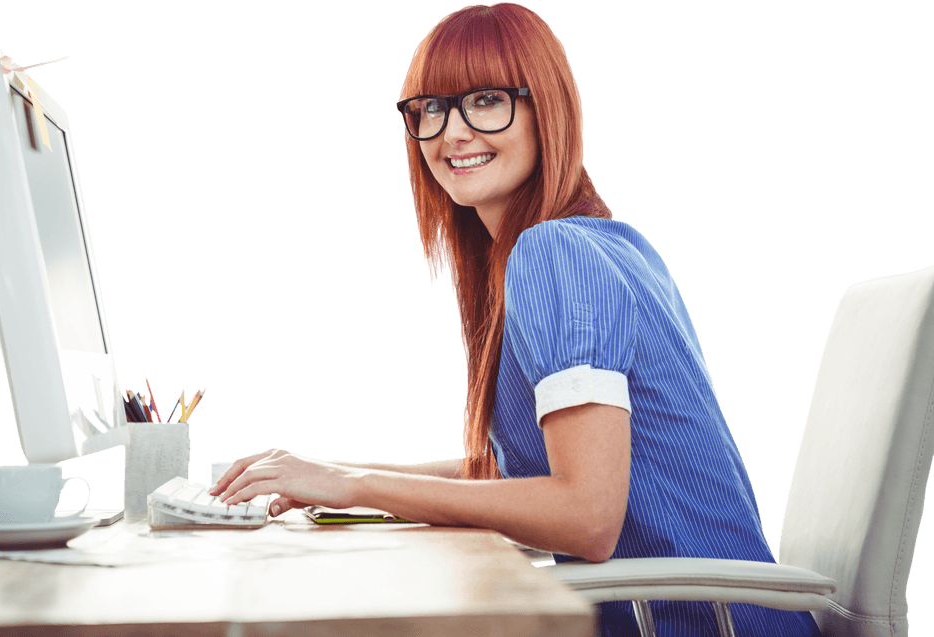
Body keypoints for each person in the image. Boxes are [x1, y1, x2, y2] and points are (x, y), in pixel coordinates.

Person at [210, 4, 821, 635]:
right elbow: (509, 479)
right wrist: (326, 478)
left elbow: (586, 513)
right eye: (431, 108)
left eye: (486, 99)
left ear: (547, 109)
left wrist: (356, 485)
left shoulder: (557, 254)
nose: (452, 133)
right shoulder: (605, 244)